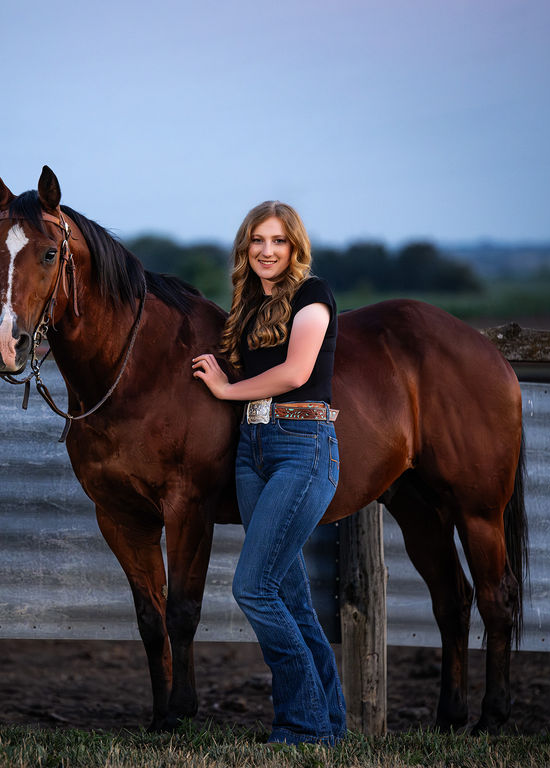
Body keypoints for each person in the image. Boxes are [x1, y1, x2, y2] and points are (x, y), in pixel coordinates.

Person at [192, 201, 345, 746]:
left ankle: (303, 730)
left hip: (302, 446)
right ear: (245, 247)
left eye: (278, 241)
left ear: (294, 247)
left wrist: (226, 390)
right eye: (257, 240)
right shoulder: (250, 304)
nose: (267, 250)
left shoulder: (313, 294)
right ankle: (330, 724)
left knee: (253, 588)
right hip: (252, 447)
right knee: (289, 595)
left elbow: (298, 371)